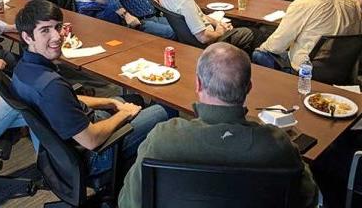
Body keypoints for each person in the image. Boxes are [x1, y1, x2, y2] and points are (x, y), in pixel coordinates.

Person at [118, 43, 318, 208]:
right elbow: (308, 198)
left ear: (198, 84)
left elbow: (128, 202)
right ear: (249, 87)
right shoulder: (279, 146)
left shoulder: (162, 139)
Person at [11, 0, 168, 177]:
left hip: (60, 154)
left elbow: (66, 101)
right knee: (163, 110)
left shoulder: (22, 69)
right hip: (92, 157)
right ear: (27, 37)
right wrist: (124, 114)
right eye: (45, 30)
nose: (56, 36)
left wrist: (109, 102)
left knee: (134, 99)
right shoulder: (51, 87)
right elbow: (91, 140)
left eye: (58, 27)